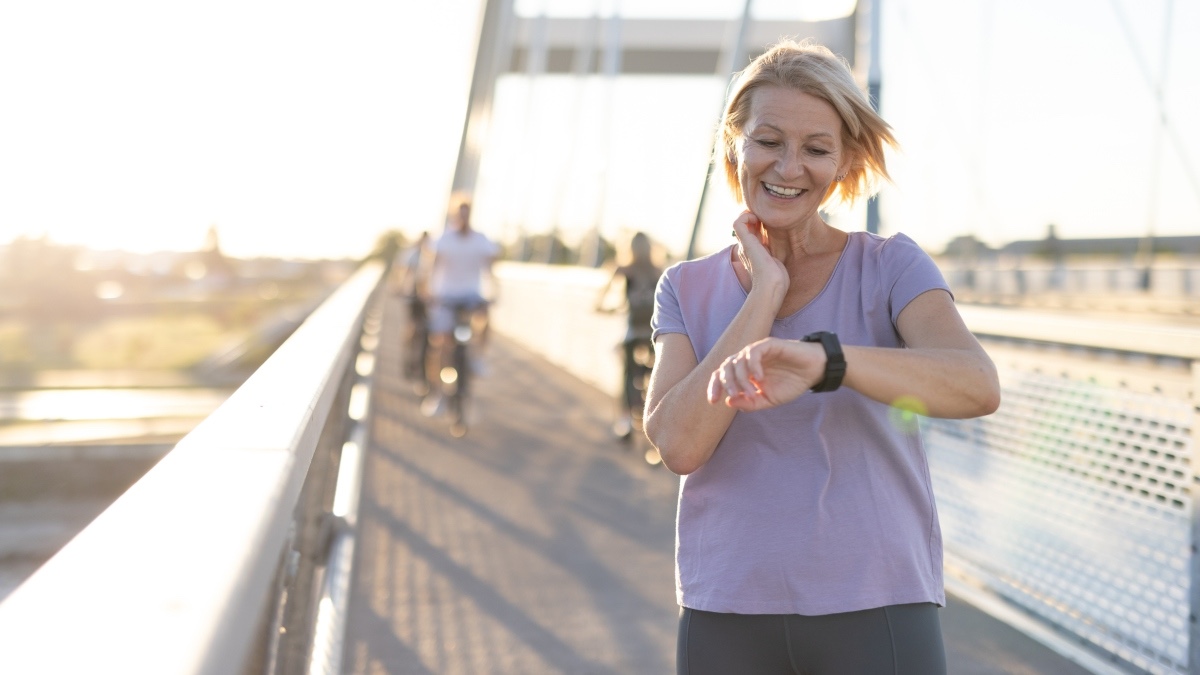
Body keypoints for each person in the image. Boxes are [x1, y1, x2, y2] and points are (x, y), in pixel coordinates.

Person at [643, 39, 1001, 675]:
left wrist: (826, 363)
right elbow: (678, 445)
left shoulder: (891, 266)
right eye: (768, 141)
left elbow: (976, 385)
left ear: (845, 161)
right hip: (726, 609)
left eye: (815, 148)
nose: (788, 167)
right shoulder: (686, 287)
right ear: (736, 145)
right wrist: (765, 295)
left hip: (878, 605)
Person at [421, 199, 500, 416]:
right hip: (445, 296)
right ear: (454, 214)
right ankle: (437, 393)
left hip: (469, 295)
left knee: (484, 315)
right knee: (440, 344)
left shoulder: (480, 240)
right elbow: (431, 267)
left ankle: (477, 356)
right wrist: (428, 292)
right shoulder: (443, 240)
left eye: (467, 213)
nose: (463, 217)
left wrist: (494, 292)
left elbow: (490, 268)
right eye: (460, 213)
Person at [595, 231, 663, 441]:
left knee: (626, 374)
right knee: (656, 374)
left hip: (633, 331)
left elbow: (601, 298)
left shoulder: (624, 269)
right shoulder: (657, 271)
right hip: (654, 331)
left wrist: (608, 308)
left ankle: (625, 419)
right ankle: (655, 416)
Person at [393, 231, 430, 386]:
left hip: (427, 299)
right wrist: (400, 288)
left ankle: (423, 365)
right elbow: (402, 274)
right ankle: (408, 355)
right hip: (412, 296)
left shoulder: (431, 257)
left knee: (428, 331)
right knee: (413, 327)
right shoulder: (411, 256)